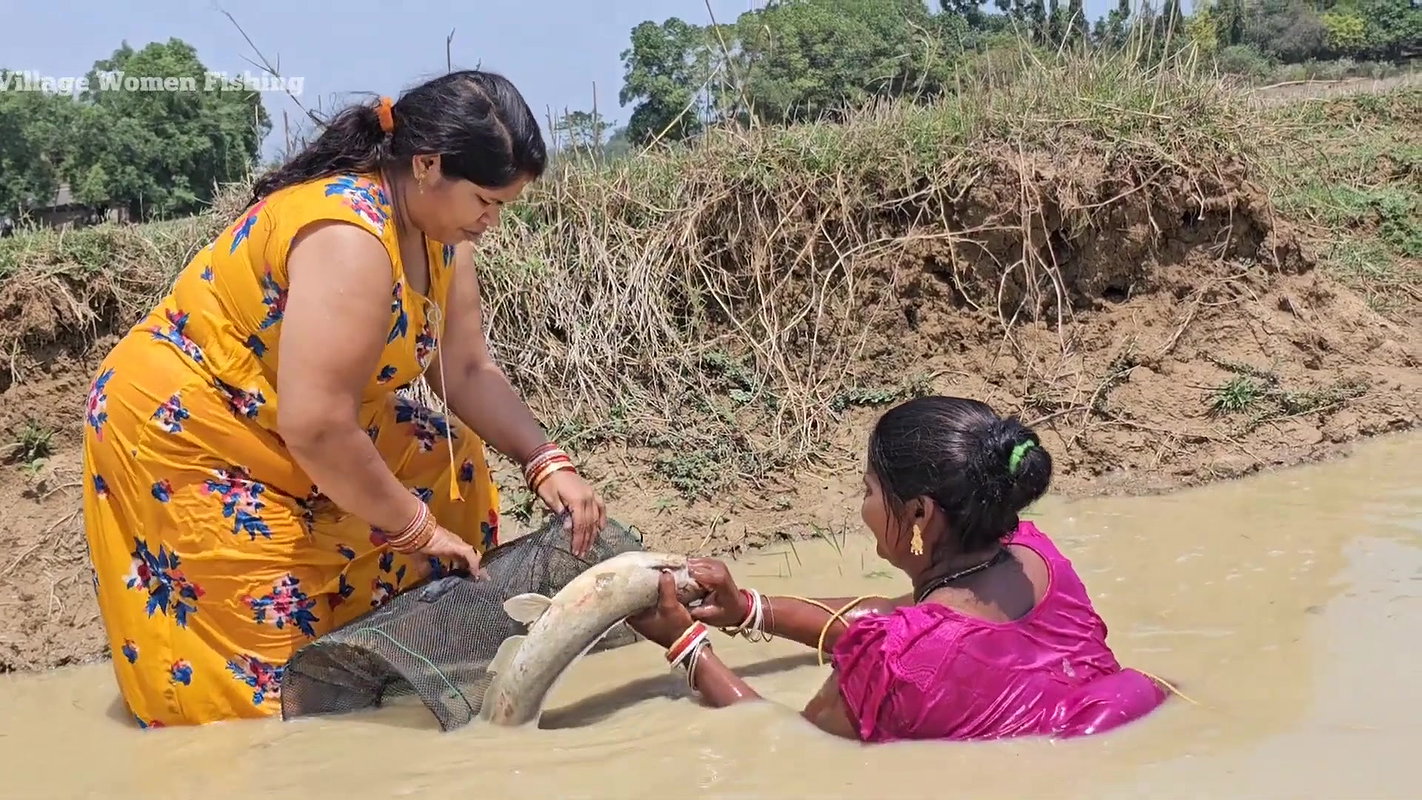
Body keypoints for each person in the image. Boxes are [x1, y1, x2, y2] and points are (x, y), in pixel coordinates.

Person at [80, 70, 606, 728]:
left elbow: (467, 369)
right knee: (264, 686)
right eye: (484, 200)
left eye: (503, 206)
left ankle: (399, 676)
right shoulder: (348, 237)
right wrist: (415, 529)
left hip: (289, 419)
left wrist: (546, 461)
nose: (491, 221)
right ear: (427, 166)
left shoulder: (444, 238)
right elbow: (319, 426)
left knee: (446, 460)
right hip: (195, 428)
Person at [627, 396, 1167, 742]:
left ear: (919, 514)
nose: (862, 507)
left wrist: (687, 647)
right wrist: (749, 608)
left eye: (869, 491)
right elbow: (895, 617)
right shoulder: (1037, 557)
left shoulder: (898, 658)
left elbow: (791, 749)